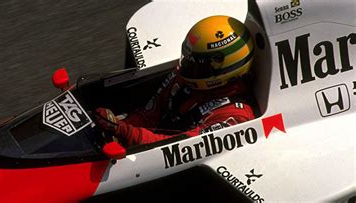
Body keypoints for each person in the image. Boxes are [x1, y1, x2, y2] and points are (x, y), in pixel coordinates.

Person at [96, 15, 257, 147]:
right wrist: (117, 127)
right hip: (151, 140)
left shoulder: (234, 117)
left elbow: (176, 148)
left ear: (224, 69)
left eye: (197, 65)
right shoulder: (183, 77)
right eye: (188, 60)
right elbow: (149, 115)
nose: (186, 68)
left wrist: (124, 132)